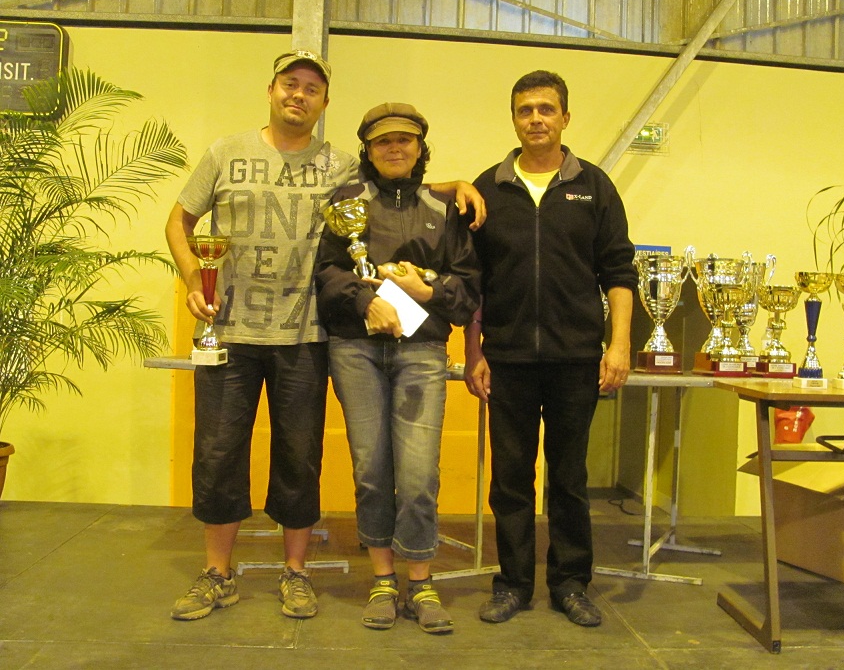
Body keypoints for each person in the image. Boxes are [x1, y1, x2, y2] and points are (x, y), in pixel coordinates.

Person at [165, 50, 485, 622]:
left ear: (324, 103)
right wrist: (195, 275)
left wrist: (458, 183)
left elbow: (399, 183)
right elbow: (179, 220)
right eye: (291, 85)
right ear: (271, 89)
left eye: (312, 89)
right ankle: (217, 573)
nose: (299, 95)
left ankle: (296, 573)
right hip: (227, 330)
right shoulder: (224, 152)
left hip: (304, 334)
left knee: (300, 459)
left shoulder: (340, 167)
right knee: (217, 455)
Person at [463, 70, 637, 628]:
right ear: (513, 119)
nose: (535, 118)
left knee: (569, 478)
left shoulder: (595, 186)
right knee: (510, 479)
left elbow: (618, 271)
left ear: (565, 117)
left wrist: (619, 346)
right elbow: (472, 281)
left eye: (545, 109)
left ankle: (570, 583)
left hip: (575, 360)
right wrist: (473, 352)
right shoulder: (487, 188)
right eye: (524, 110)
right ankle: (512, 583)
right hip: (508, 359)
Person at [315, 103, 480, 634]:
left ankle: (421, 580)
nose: (394, 149)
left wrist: (423, 289)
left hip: (422, 353)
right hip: (356, 351)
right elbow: (326, 278)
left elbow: (468, 288)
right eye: (382, 142)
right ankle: (383, 580)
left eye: (404, 141)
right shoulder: (345, 203)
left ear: (419, 146)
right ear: (366, 149)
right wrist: (367, 303)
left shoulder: (444, 207)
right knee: (370, 470)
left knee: (417, 476)